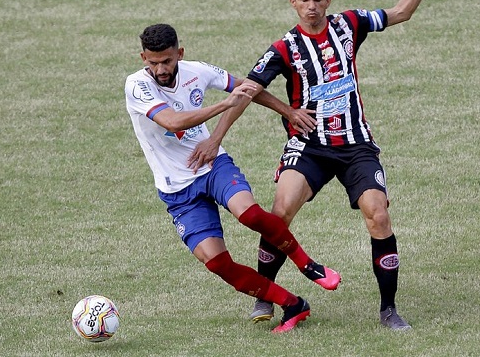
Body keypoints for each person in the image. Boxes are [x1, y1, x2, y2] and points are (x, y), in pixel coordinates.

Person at [189, 0, 441, 331]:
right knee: (280, 211)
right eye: (304, 0)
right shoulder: (283, 48)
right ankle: (266, 293)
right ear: (293, 2)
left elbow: (402, 11)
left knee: (379, 214)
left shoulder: (351, 23)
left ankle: (388, 309)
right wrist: (216, 137)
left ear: (328, 0)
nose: (311, 6)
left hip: (356, 145)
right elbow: (246, 91)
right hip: (309, 146)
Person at [124, 23, 341, 333]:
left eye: (167, 61)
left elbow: (249, 88)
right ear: (143, 57)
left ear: (179, 54)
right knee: (216, 263)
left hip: (213, 166)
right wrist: (224, 103)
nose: (160, 68)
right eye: (153, 61)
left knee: (250, 213)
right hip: (177, 190)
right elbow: (171, 122)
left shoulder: (197, 71)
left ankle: (308, 266)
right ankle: (293, 304)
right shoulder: (136, 85)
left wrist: (289, 111)